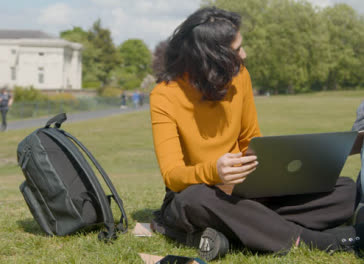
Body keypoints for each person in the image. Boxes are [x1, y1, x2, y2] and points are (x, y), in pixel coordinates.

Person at [149, 7, 363, 261]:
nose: (244, 54)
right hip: (196, 195)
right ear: (212, 57)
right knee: (195, 199)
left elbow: (251, 141)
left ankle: (239, 228)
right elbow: (173, 176)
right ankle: (307, 239)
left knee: (345, 190)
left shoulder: (239, 78)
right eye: (237, 49)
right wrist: (214, 172)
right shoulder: (164, 96)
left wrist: (266, 175)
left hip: (241, 192)